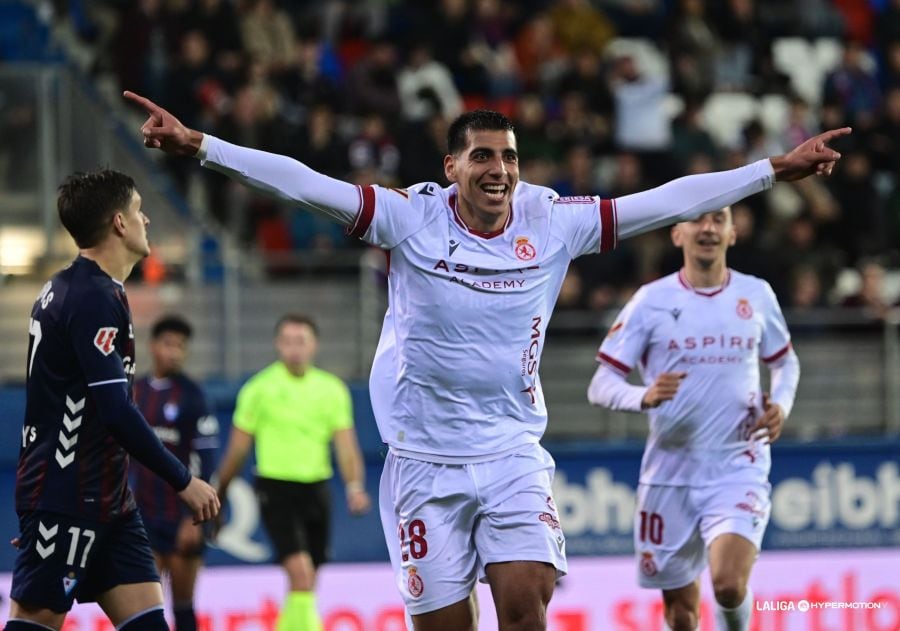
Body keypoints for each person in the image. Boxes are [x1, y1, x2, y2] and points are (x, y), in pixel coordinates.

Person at [123, 88, 847, 631]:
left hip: (509, 451)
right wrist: (202, 146)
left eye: (509, 157)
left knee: (527, 600)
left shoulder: (552, 220)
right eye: (482, 156)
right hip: (423, 459)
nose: (499, 170)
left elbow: (662, 201)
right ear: (452, 166)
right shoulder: (410, 217)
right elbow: (306, 184)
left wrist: (770, 171)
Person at [5, 170, 219, 631]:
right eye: (139, 209)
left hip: (108, 504)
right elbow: (116, 411)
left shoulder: (71, 288)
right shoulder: (93, 298)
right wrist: (184, 481)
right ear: (120, 223)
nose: (147, 219)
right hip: (69, 497)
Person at [587, 206, 801, 631]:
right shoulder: (651, 301)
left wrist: (780, 405)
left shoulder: (756, 294)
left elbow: (785, 362)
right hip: (670, 472)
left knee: (728, 585)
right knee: (682, 615)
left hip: (737, 463)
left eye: (718, 219)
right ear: (677, 234)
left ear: (733, 233)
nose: (708, 228)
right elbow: (601, 384)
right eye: (697, 219)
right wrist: (643, 396)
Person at [214, 313, 371, 631]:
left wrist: (354, 487)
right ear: (277, 345)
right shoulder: (259, 389)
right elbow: (238, 448)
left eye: (300, 341)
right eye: (287, 341)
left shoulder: (332, 389)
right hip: (275, 488)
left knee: (308, 581)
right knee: (301, 574)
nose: (294, 349)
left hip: (316, 488)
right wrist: (220, 492)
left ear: (314, 345)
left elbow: (346, 445)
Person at [130, 315, 220, 631]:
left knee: (183, 606)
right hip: (143, 516)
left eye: (181, 346)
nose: (174, 353)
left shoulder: (193, 396)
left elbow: (206, 460)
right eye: (169, 344)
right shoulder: (134, 393)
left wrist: (192, 518)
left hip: (182, 518)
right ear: (153, 346)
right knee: (145, 608)